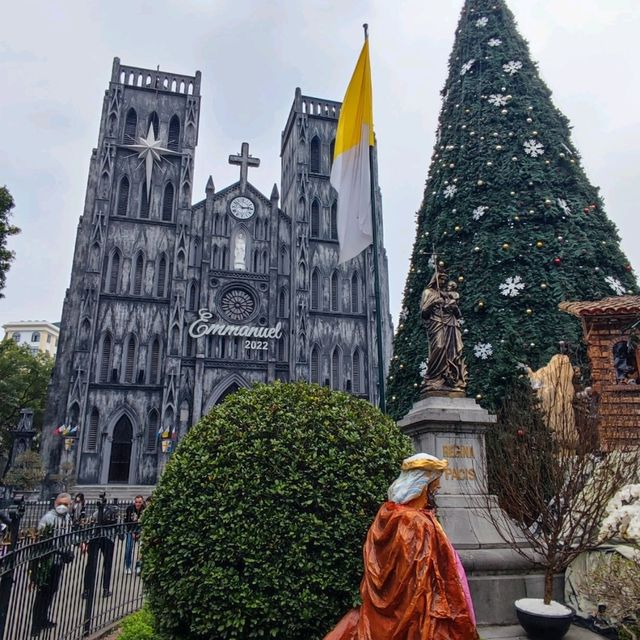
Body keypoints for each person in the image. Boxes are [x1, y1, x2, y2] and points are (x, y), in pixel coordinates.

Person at [323, 453, 478, 640]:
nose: (438, 487)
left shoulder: (387, 513)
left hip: (384, 610)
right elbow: (420, 578)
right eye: (435, 482)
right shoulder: (417, 522)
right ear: (423, 485)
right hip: (414, 612)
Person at [30, 493, 74, 637]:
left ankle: (44, 618)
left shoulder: (67, 517)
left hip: (57, 562)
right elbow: (42, 542)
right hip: (46, 562)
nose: (63, 506)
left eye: (66, 504)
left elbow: (68, 536)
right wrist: (61, 552)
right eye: (60, 503)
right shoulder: (48, 518)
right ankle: (35, 624)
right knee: (43, 593)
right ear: (55, 502)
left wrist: (70, 550)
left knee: (52, 591)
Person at [420, 268, 467, 393]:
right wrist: (434, 302)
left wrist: (452, 306)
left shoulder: (446, 294)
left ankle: (448, 378)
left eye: (445, 280)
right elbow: (424, 312)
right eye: (441, 279)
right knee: (439, 347)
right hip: (436, 324)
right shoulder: (428, 292)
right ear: (435, 279)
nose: (443, 282)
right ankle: (432, 377)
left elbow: (458, 313)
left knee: (451, 352)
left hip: (450, 324)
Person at [82, 504, 118, 598]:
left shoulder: (95, 513)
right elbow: (118, 527)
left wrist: (85, 540)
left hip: (95, 537)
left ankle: (86, 590)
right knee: (107, 565)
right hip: (108, 538)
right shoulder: (113, 513)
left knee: (90, 564)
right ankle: (105, 589)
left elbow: (89, 525)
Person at [124, 495, 145, 575]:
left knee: (141, 549)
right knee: (128, 548)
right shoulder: (130, 509)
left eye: (139, 502)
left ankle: (138, 566)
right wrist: (132, 532)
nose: (138, 504)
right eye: (136, 502)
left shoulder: (145, 509)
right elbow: (127, 521)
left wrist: (140, 533)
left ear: (142, 502)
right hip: (131, 530)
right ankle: (127, 566)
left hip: (141, 531)